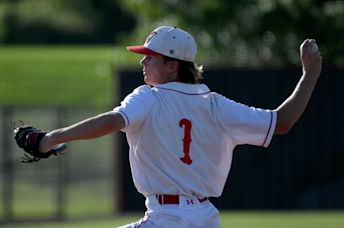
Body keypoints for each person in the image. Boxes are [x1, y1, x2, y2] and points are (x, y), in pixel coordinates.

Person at [38, 26, 322, 227]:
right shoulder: (217, 105)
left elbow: (114, 121)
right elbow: (281, 122)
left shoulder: (148, 97)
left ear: (173, 66)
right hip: (205, 218)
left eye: (151, 56)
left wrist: (50, 138)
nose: (143, 61)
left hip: (166, 217)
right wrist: (310, 75)